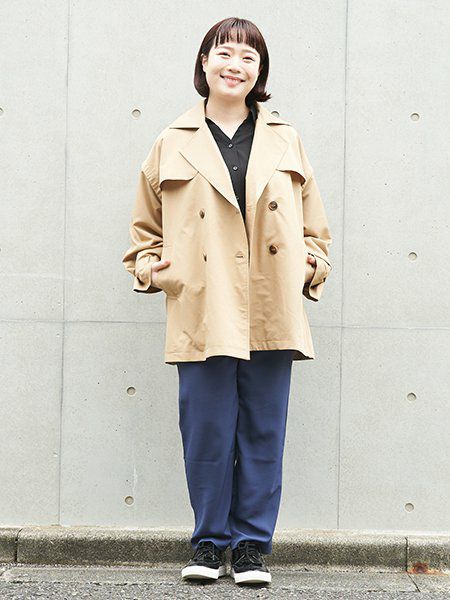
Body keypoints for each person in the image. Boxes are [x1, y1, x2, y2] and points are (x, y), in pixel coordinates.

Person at [122, 17, 332, 586]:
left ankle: (251, 548)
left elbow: (315, 229)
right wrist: (152, 269)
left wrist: (309, 265)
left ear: (260, 72)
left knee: (263, 431)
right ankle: (210, 543)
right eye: (225, 53)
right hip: (202, 304)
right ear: (204, 62)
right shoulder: (172, 140)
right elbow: (144, 231)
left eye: (248, 57)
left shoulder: (286, 138)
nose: (235, 65)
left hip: (270, 302)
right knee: (207, 432)